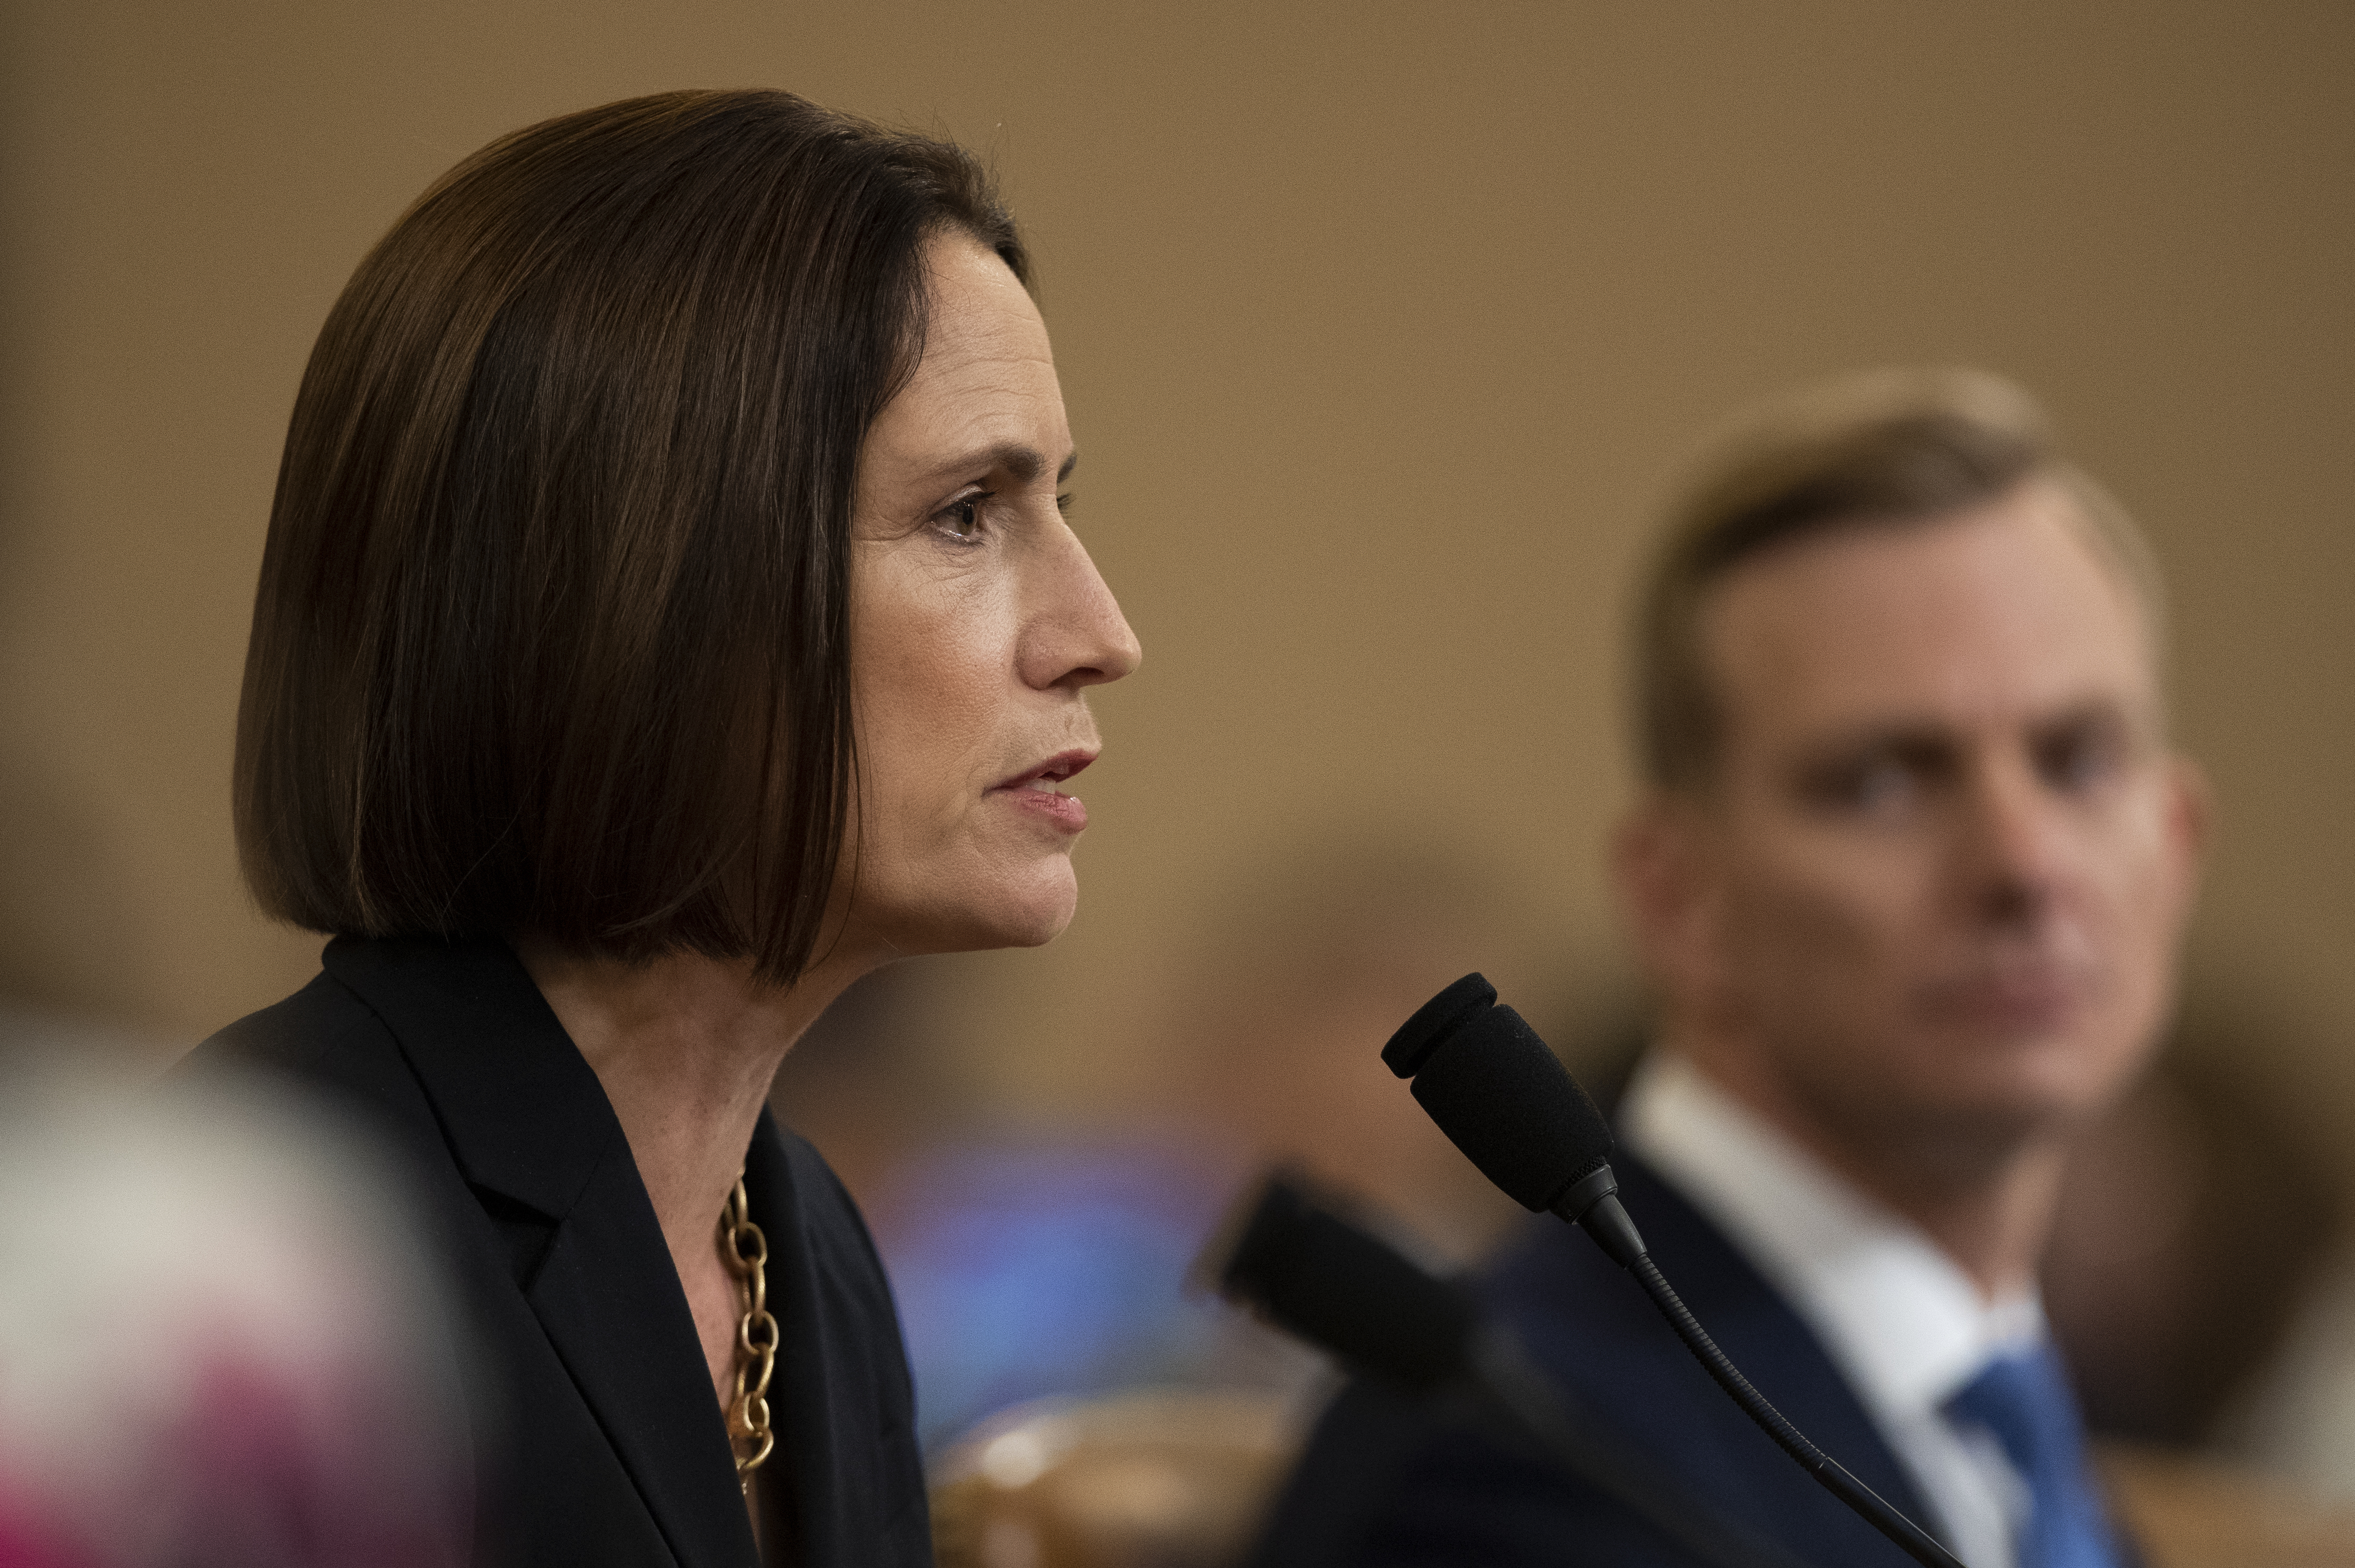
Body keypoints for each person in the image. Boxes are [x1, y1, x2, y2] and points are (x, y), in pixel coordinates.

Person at [177, 89, 1139, 1568]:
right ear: (647, 593)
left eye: (1056, 504)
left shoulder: (805, 1244)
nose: (1099, 631)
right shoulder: (266, 1243)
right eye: (965, 513)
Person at [1252, 368, 2206, 1568]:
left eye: (2076, 758)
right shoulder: (1525, 1452)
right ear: (1679, 899)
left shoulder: (2021, 1429)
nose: (2023, 862)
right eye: (1883, 778)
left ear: (2177, 845)